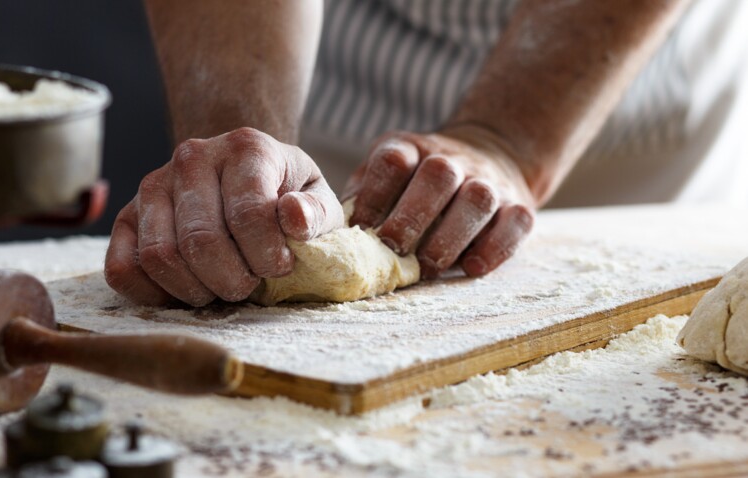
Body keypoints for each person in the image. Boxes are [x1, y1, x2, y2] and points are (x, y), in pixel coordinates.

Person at [105, 0, 748, 307]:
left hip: (631, 120)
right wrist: (240, 150)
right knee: (275, 244)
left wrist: (510, 141)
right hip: (331, 84)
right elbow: (252, 187)